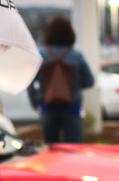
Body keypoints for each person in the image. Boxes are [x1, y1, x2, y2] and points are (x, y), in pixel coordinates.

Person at [32, 15, 95, 143]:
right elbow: (90, 81)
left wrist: (36, 101)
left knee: (51, 147)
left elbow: (30, 80)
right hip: (72, 106)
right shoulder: (77, 55)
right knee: (73, 148)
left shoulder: (41, 54)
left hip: (47, 105)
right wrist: (73, 86)